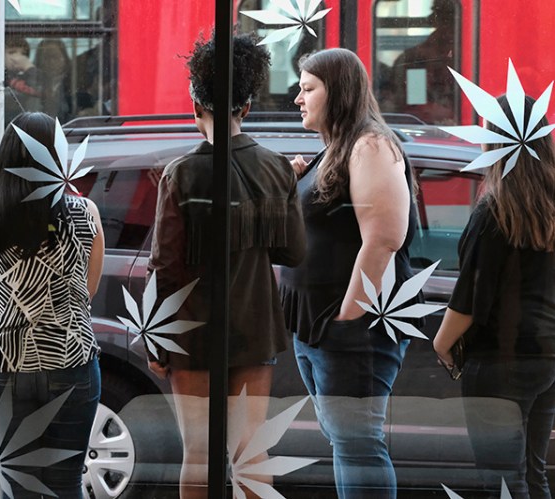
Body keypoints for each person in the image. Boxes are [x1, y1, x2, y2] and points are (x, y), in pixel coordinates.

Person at [148, 33, 306, 498]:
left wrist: (157, 342)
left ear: (196, 105)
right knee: (250, 452)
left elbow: (166, 266)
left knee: (198, 453)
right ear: (247, 107)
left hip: (191, 331)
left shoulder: (182, 173)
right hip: (255, 325)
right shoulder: (277, 168)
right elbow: (292, 253)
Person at [279, 48, 419, 498]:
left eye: (307, 89)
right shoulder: (334, 150)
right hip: (316, 327)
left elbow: (385, 238)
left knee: (358, 444)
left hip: (345, 330)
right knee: (347, 443)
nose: (297, 99)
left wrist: (347, 319)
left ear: (336, 91)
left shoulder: (370, 144)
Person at [0, 112, 105, 498]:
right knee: (65, 483)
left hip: (4, 366)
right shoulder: (85, 213)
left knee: (16, 485)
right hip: (71, 362)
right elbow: (86, 293)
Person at [434, 95, 555, 498]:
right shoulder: (550, 207)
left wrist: (443, 343)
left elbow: (471, 295)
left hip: (501, 359)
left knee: (501, 480)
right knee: (533, 473)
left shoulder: (494, 212)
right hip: (548, 356)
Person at [4, 37, 43, 123]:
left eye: (23, 54)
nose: (18, 58)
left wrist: (29, 68)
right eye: (12, 52)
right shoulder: (1, 77)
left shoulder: (27, 75)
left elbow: (40, 89)